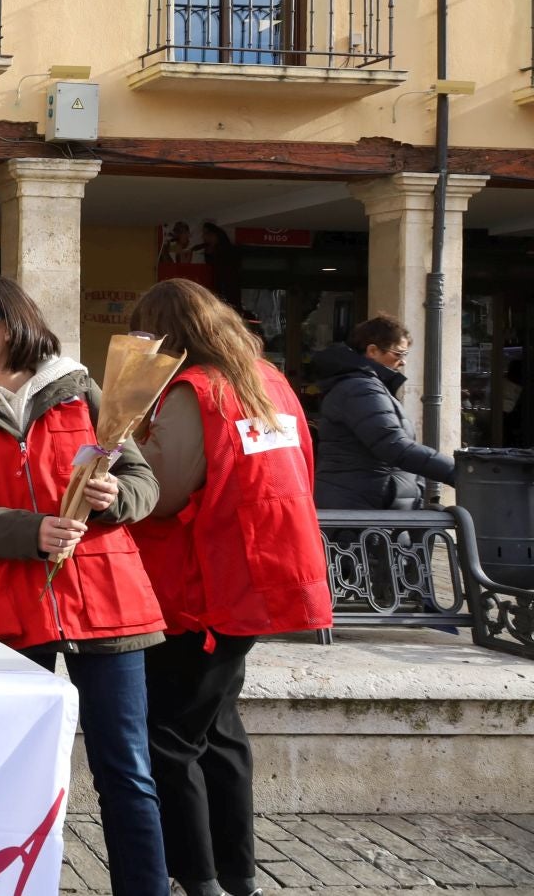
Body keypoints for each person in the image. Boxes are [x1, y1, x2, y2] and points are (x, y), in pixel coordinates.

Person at [0, 276, 167, 896]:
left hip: (106, 600)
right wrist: (29, 532)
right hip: (3, 607)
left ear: (8, 323)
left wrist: (116, 497)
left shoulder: (82, 391)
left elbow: (143, 481)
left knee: (128, 771)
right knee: (2, 772)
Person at [127, 279, 332, 896]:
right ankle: (237, 874)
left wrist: (122, 451)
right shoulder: (266, 382)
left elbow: (161, 496)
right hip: (257, 580)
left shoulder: (194, 392)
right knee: (219, 733)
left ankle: (198, 877)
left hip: (198, 588)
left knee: (171, 737)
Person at [311, 313, 455, 509]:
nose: (403, 362)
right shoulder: (360, 389)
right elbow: (392, 445)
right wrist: (456, 472)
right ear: (373, 351)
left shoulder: (365, 386)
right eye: (398, 353)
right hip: (362, 509)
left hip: (371, 506)